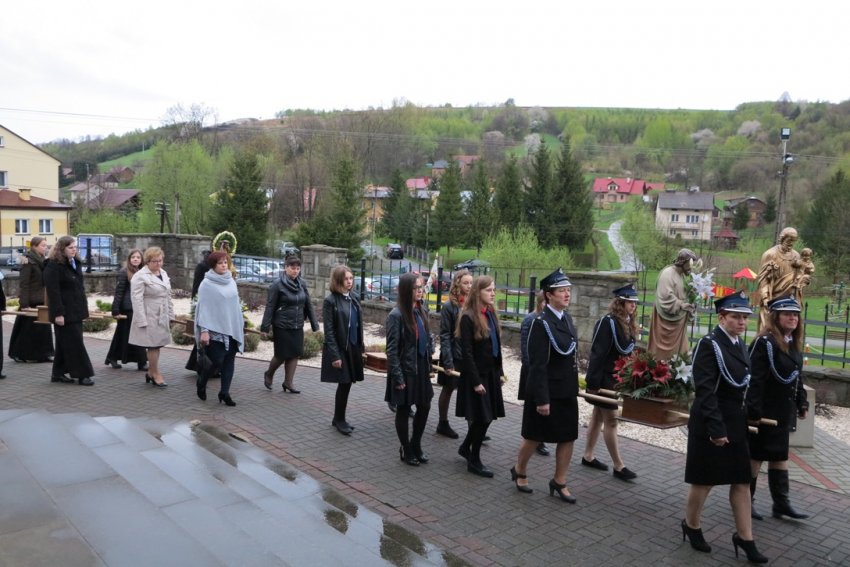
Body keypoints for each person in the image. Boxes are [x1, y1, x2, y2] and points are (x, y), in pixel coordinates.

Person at [682, 291, 767, 563]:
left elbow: (744, 386)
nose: (742, 322)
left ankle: (746, 538)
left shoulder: (740, 345)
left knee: (742, 481)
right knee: (704, 481)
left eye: (745, 317)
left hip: (736, 421)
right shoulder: (709, 345)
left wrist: (752, 414)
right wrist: (716, 429)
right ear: (721, 317)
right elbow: (705, 391)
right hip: (711, 422)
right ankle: (691, 525)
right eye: (736, 317)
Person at [512, 268, 579, 501]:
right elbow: (537, 364)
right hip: (546, 390)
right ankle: (520, 469)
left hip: (565, 390)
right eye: (561, 291)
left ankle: (559, 481)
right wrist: (542, 399)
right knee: (534, 436)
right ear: (549, 295)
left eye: (568, 290)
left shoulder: (566, 318)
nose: (567, 294)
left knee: (568, 436)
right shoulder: (540, 323)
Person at [748, 296, 809, 521]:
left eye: (795, 314)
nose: (793, 318)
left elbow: (796, 376)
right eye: (787, 314)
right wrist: (753, 411)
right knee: (756, 457)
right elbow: (754, 379)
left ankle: (781, 504)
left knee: (779, 455)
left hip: (783, 410)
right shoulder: (764, 342)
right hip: (764, 411)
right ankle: (745, 501)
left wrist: (802, 401)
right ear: (776, 317)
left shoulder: (791, 342)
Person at [582, 283, 639, 481]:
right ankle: (618, 465)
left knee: (598, 416)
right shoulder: (608, 322)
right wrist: (593, 382)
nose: (633, 305)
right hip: (604, 379)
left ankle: (588, 456)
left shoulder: (628, 322)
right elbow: (597, 353)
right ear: (619, 303)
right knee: (612, 420)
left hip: (616, 378)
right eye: (629, 301)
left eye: (634, 302)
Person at [456, 276, 506, 477]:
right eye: (489, 290)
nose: (493, 293)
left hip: (490, 373)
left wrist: (500, 372)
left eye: (494, 289)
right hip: (476, 376)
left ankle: (465, 447)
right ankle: (474, 460)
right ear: (478, 292)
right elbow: (467, 353)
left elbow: (496, 345)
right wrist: (476, 382)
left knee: (487, 417)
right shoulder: (468, 317)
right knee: (481, 418)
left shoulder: (491, 313)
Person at [385, 272, 433, 466]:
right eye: (416, 288)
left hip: (420, 367)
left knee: (425, 405)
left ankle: (416, 444)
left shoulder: (421, 310)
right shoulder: (396, 315)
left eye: (421, 287)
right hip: (405, 369)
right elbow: (392, 349)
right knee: (404, 409)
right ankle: (406, 448)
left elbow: (426, 337)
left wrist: (430, 358)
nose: (420, 291)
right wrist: (398, 377)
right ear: (406, 290)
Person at [260, 254, 319, 393]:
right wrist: (265, 327)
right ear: (286, 268)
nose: (295, 271)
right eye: (293, 268)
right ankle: (269, 373)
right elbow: (270, 307)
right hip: (281, 325)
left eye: (298, 268)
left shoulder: (302, 283)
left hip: (297, 324)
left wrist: (314, 324)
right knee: (281, 354)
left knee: (295, 353)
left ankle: (288, 382)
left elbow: (308, 304)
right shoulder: (277, 285)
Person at [194, 251, 245, 406]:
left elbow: (235, 305)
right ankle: (202, 381)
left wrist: (239, 324)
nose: (224, 265)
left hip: (231, 327)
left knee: (229, 360)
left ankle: (224, 392)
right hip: (214, 328)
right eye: (220, 263)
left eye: (225, 262)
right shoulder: (206, 284)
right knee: (216, 361)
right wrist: (204, 331)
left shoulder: (231, 280)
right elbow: (204, 308)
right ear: (213, 265)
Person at [43, 236, 94, 386]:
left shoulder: (74, 262)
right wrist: (58, 313)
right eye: (70, 247)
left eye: (75, 247)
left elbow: (78, 287)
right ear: (62, 249)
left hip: (76, 309)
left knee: (65, 342)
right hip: (64, 312)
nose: (74, 250)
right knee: (75, 343)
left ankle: (58, 373)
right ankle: (83, 374)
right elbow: (53, 292)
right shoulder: (53, 266)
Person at [320, 265, 365, 435]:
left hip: (353, 347)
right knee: (344, 383)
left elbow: (358, 324)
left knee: (348, 383)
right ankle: (339, 420)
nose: (349, 282)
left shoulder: (354, 298)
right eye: (346, 279)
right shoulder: (331, 301)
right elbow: (329, 331)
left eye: (351, 278)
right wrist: (335, 355)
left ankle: (337, 418)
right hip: (340, 349)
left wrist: (361, 347)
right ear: (338, 280)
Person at [129, 246, 174, 388]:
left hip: (162, 313)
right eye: (155, 261)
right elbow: (136, 299)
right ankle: (155, 373)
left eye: (160, 260)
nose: (158, 263)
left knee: (158, 344)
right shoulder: (140, 276)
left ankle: (150, 372)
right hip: (149, 314)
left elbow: (168, 295)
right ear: (147, 261)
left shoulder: (163, 273)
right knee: (153, 346)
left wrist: (171, 314)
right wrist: (141, 320)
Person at [435, 269, 472, 439]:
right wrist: (448, 362)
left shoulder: (472, 304)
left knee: (470, 390)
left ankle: (473, 427)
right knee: (448, 388)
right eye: (465, 283)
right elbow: (445, 335)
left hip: (468, 355)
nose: (469, 286)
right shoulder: (449, 306)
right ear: (457, 284)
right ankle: (442, 423)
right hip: (452, 355)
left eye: (471, 283)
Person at [8, 236, 54, 364]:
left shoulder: (43, 261)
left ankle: (44, 354)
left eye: (46, 245)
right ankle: (20, 353)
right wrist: (24, 303)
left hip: (42, 299)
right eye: (43, 245)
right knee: (26, 329)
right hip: (31, 300)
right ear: (34, 246)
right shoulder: (27, 261)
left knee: (43, 329)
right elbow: (24, 284)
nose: (45, 248)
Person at [647, 248, 698, 360]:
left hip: (679, 324)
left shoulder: (682, 275)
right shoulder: (667, 274)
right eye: (690, 263)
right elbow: (665, 297)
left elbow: (684, 294)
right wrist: (681, 304)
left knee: (681, 355)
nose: (691, 267)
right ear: (683, 262)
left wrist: (692, 300)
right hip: (665, 323)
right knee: (663, 358)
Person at [756, 227, 807, 332]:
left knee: (789, 329)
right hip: (773, 298)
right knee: (769, 328)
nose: (791, 244)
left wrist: (803, 279)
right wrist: (765, 298)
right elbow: (763, 280)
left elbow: (799, 275)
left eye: (793, 241)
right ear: (783, 238)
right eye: (789, 240)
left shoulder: (796, 255)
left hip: (790, 299)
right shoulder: (770, 254)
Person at [104, 249, 148, 371]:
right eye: (133, 257)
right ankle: (141, 361)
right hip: (128, 308)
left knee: (126, 334)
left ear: (141, 260)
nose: (135, 259)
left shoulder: (143, 272)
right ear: (129, 259)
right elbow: (119, 292)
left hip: (138, 307)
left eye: (138, 257)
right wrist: (115, 309)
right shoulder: (124, 272)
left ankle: (113, 357)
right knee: (130, 333)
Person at [519, 293, 550, 457]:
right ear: (540, 303)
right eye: (545, 302)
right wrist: (531, 371)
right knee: (532, 406)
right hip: (531, 370)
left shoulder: (549, 319)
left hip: (543, 371)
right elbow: (525, 349)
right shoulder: (530, 320)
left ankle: (540, 438)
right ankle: (532, 439)